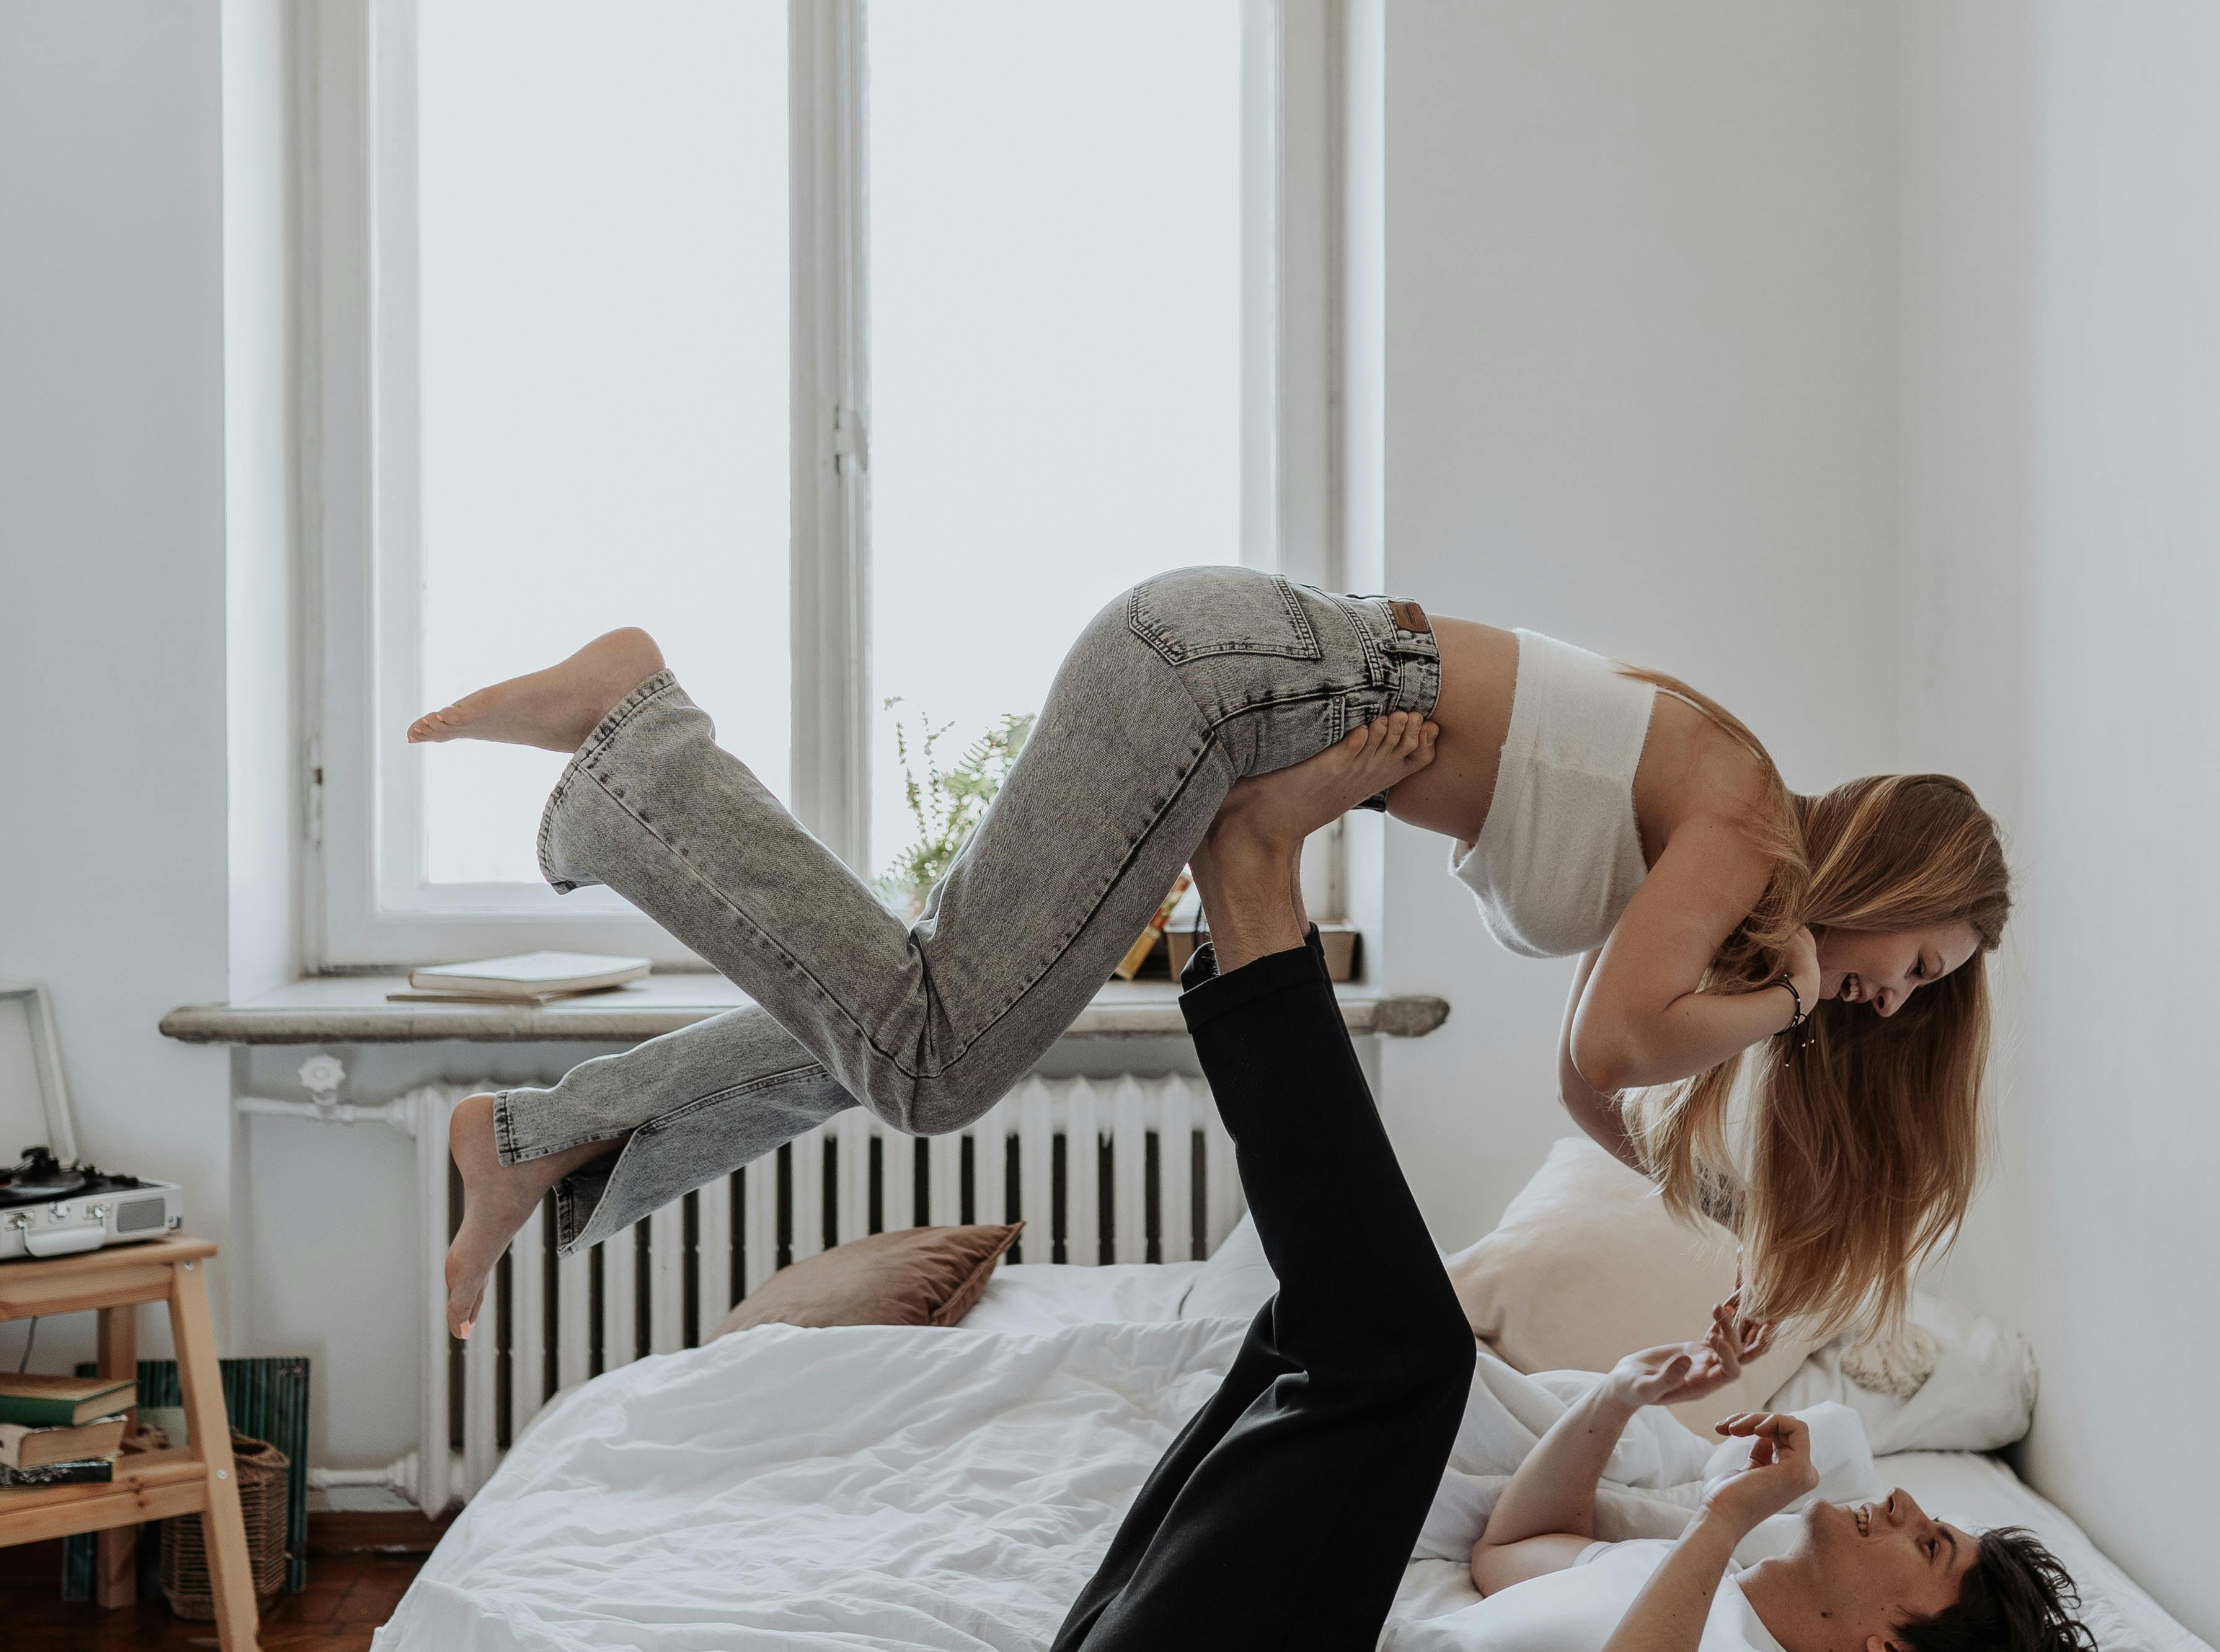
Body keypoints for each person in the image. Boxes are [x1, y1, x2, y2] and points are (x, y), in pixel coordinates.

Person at [409, 573, 2010, 1342]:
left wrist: (1722, 1215)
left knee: (926, 1014)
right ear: (1886, 870)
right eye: (1919, 960)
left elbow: (1602, 1098)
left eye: (1923, 998)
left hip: (1225, 686)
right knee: (934, 1059)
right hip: (1219, 684)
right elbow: (1609, 1050)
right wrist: (1791, 996)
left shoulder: (1730, 865)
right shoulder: (1753, 832)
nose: (1894, 995)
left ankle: (542, 1132)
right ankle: (637, 736)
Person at [1025, 735, 2100, 1652]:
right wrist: (1623, 1392)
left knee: (1407, 1353)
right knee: (1312, 1329)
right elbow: (1509, 1551)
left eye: (1930, 1544)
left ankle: (1251, 881)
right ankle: (1251, 893)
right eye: (1916, 967)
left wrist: (1724, 1524)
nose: (1909, 1501)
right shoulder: (1707, 1583)